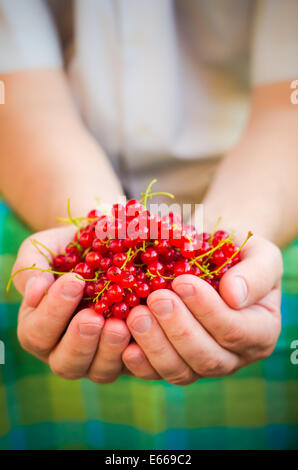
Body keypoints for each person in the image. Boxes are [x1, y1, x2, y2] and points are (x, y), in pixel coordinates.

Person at [0, 0, 297, 450]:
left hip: (266, 200)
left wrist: (233, 239)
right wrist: (90, 224)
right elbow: (19, 91)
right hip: (48, 192)